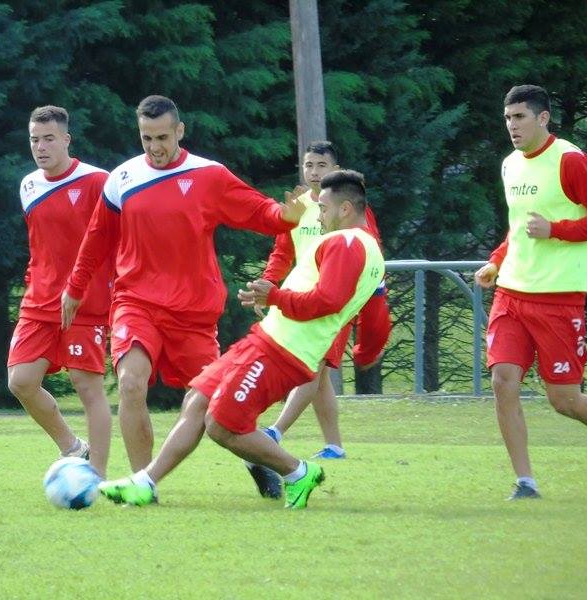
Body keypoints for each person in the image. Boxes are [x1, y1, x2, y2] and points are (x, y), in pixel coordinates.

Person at [98, 169, 384, 509]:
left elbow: (328, 301)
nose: (318, 215)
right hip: (267, 339)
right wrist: (367, 350)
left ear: (346, 209)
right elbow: (379, 317)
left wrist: (275, 297)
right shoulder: (372, 254)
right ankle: (144, 483)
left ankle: (297, 472)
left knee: (221, 425)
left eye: (322, 207)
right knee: (198, 399)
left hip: (285, 352)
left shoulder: (347, 242)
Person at [61, 95, 306, 471]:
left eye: (162, 137)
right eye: (147, 138)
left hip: (193, 312)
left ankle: (260, 465)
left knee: (221, 406)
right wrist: (75, 288)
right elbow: (96, 239)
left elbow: (259, 211)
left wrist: (284, 215)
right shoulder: (122, 179)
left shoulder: (209, 175)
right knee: (130, 383)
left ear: (179, 131)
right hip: (135, 301)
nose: (155, 147)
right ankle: (142, 482)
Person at [474, 84, 587, 500]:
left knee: (565, 400)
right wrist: (497, 261)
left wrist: (557, 230)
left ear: (543, 118)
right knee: (503, 380)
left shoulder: (570, 160)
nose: (512, 126)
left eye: (519, 117)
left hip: (557, 298)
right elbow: (518, 229)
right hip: (512, 294)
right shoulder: (509, 165)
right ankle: (525, 481)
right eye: (507, 118)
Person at [245, 142, 391, 499]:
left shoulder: (349, 212)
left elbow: (371, 257)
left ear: (335, 168)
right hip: (303, 300)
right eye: (308, 164)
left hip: (332, 303)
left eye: (320, 164)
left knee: (314, 367)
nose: (312, 171)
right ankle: (334, 444)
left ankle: (275, 433)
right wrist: (269, 284)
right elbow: (282, 252)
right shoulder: (298, 207)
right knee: (321, 375)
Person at [7, 105, 114, 476]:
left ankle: (96, 477)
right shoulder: (28, 185)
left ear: (66, 139)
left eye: (49, 138)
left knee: (87, 387)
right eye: (35, 139)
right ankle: (73, 448)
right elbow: (41, 245)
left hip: (87, 302)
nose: (41, 146)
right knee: (21, 381)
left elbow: (117, 241)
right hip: (39, 300)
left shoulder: (98, 181)